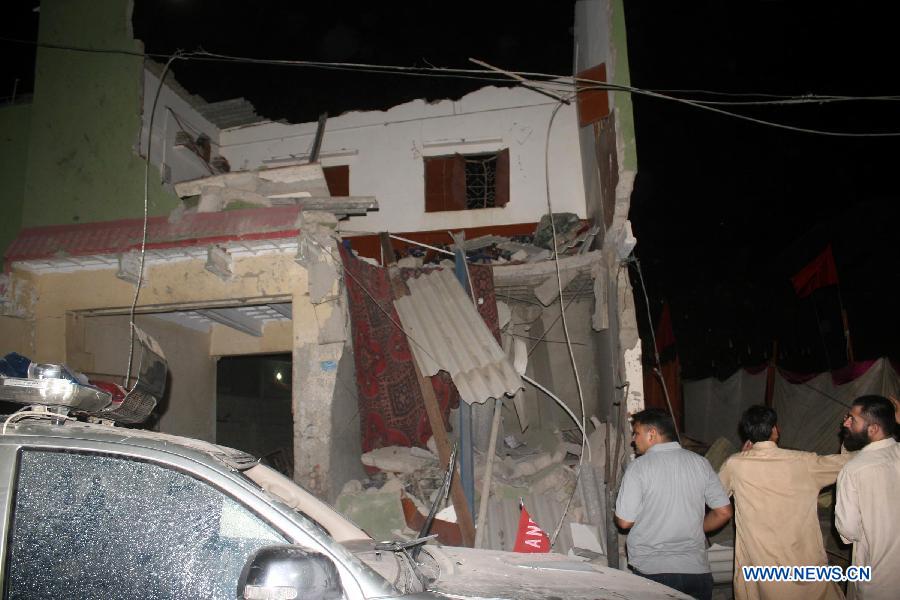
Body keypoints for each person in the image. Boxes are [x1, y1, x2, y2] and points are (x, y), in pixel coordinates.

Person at [719, 405, 850, 600]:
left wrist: (740, 456)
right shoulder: (805, 463)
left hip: (761, 568)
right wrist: (850, 435)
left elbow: (716, 499)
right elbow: (850, 463)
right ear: (774, 430)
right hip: (804, 566)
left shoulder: (734, 465)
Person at [615, 408, 733, 600]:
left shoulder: (639, 467)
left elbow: (624, 522)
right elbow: (724, 512)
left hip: (653, 573)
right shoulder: (700, 463)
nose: (633, 440)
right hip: (697, 572)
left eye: (636, 433)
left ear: (651, 434)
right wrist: (697, 527)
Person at [835, 395, 900, 600]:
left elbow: (848, 530)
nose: (845, 422)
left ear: (873, 429)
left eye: (852, 419)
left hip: (877, 580)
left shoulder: (854, 470)